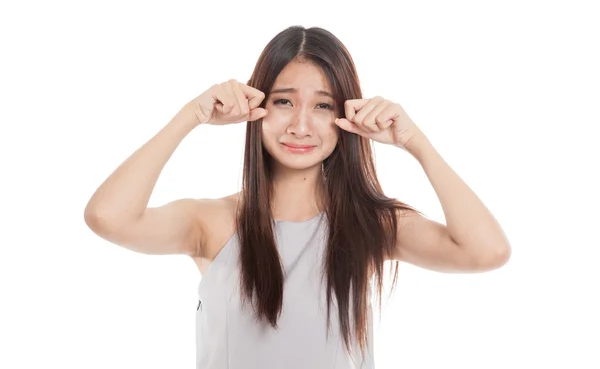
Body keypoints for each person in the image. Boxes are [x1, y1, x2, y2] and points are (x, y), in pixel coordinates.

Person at [84, 25, 511, 368]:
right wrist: (191, 115)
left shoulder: (369, 226)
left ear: (346, 115)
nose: (301, 125)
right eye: (284, 101)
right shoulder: (212, 223)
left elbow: (487, 251)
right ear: (258, 107)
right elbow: (108, 216)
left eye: (323, 106)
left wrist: (416, 142)